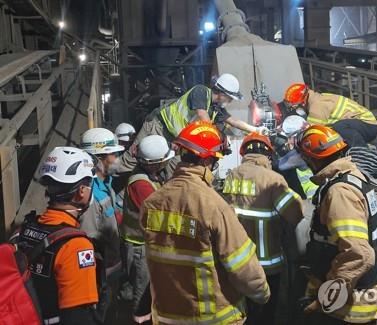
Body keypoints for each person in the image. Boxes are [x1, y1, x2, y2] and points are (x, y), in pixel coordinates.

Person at [141, 121, 270, 325]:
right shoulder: (214, 206)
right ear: (208, 159)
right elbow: (242, 266)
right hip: (213, 319)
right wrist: (262, 293)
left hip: (167, 318)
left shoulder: (152, 203)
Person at [295, 124, 377, 324]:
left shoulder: (340, 193)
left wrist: (327, 297)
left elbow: (359, 254)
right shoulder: (354, 176)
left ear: (311, 159)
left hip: (345, 308)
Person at [222, 132, 303, 324]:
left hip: (237, 261)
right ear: (268, 155)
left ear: (244, 154)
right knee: (267, 313)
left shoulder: (232, 175)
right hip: (268, 264)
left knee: (243, 310)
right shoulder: (273, 179)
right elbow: (295, 214)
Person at [14, 147, 99, 325]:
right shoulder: (76, 246)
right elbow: (78, 317)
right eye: (91, 184)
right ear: (82, 191)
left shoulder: (23, 230)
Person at [118, 74, 268, 173]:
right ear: (222, 94)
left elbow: (233, 121)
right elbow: (202, 115)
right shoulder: (201, 92)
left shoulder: (215, 108)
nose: (229, 102)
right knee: (131, 161)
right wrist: (219, 138)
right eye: (230, 98)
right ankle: (104, 177)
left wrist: (255, 129)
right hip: (158, 127)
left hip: (175, 141)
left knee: (177, 171)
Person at [121, 135, 175, 324]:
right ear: (153, 164)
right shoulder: (140, 184)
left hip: (145, 244)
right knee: (142, 293)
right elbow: (158, 213)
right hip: (139, 247)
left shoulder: (152, 175)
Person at [79, 127, 124, 321]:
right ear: (98, 159)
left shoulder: (107, 183)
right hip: (100, 278)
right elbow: (88, 242)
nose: (117, 159)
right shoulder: (90, 196)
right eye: (113, 154)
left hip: (112, 270)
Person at [283, 83, 377, 147]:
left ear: (302, 102)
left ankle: (361, 152)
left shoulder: (317, 107)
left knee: (339, 127)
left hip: (368, 125)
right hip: (365, 124)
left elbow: (310, 131)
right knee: (336, 129)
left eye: (295, 106)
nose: (295, 109)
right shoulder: (317, 98)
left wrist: (293, 140)